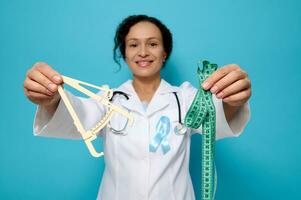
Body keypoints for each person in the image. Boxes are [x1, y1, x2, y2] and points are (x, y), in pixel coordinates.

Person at [23, 15, 251, 200]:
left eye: (152, 44)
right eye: (133, 45)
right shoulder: (107, 100)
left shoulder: (186, 98)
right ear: (124, 53)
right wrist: (51, 98)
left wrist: (233, 99)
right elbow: (77, 114)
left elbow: (217, 117)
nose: (143, 52)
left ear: (165, 53)